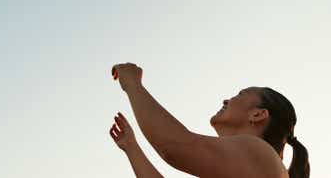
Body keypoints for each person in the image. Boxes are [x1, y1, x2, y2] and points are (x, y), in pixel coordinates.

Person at [109, 63, 310, 178]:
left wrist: (133, 84)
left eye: (241, 93)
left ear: (258, 115)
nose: (227, 99)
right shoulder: (258, 166)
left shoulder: (261, 152)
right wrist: (131, 147)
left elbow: (174, 147)